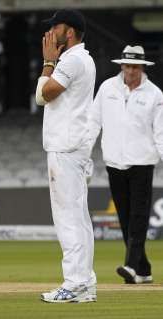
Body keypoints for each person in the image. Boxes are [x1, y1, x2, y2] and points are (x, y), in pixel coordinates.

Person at [35, 10, 97, 303]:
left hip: (66, 147)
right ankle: (85, 282)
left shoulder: (71, 60)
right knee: (79, 218)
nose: (51, 33)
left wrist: (48, 62)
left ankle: (75, 283)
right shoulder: (82, 59)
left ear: (69, 32)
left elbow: (43, 94)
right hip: (73, 145)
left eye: (55, 27)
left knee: (68, 218)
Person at [87, 45, 163, 284]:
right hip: (114, 162)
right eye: (128, 66)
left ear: (142, 67)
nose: (131, 71)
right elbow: (93, 122)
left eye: (136, 67)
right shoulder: (107, 87)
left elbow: (161, 132)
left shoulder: (155, 94)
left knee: (138, 216)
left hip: (142, 162)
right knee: (125, 218)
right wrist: (84, 152)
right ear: (122, 65)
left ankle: (130, 266)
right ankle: (143, 269)